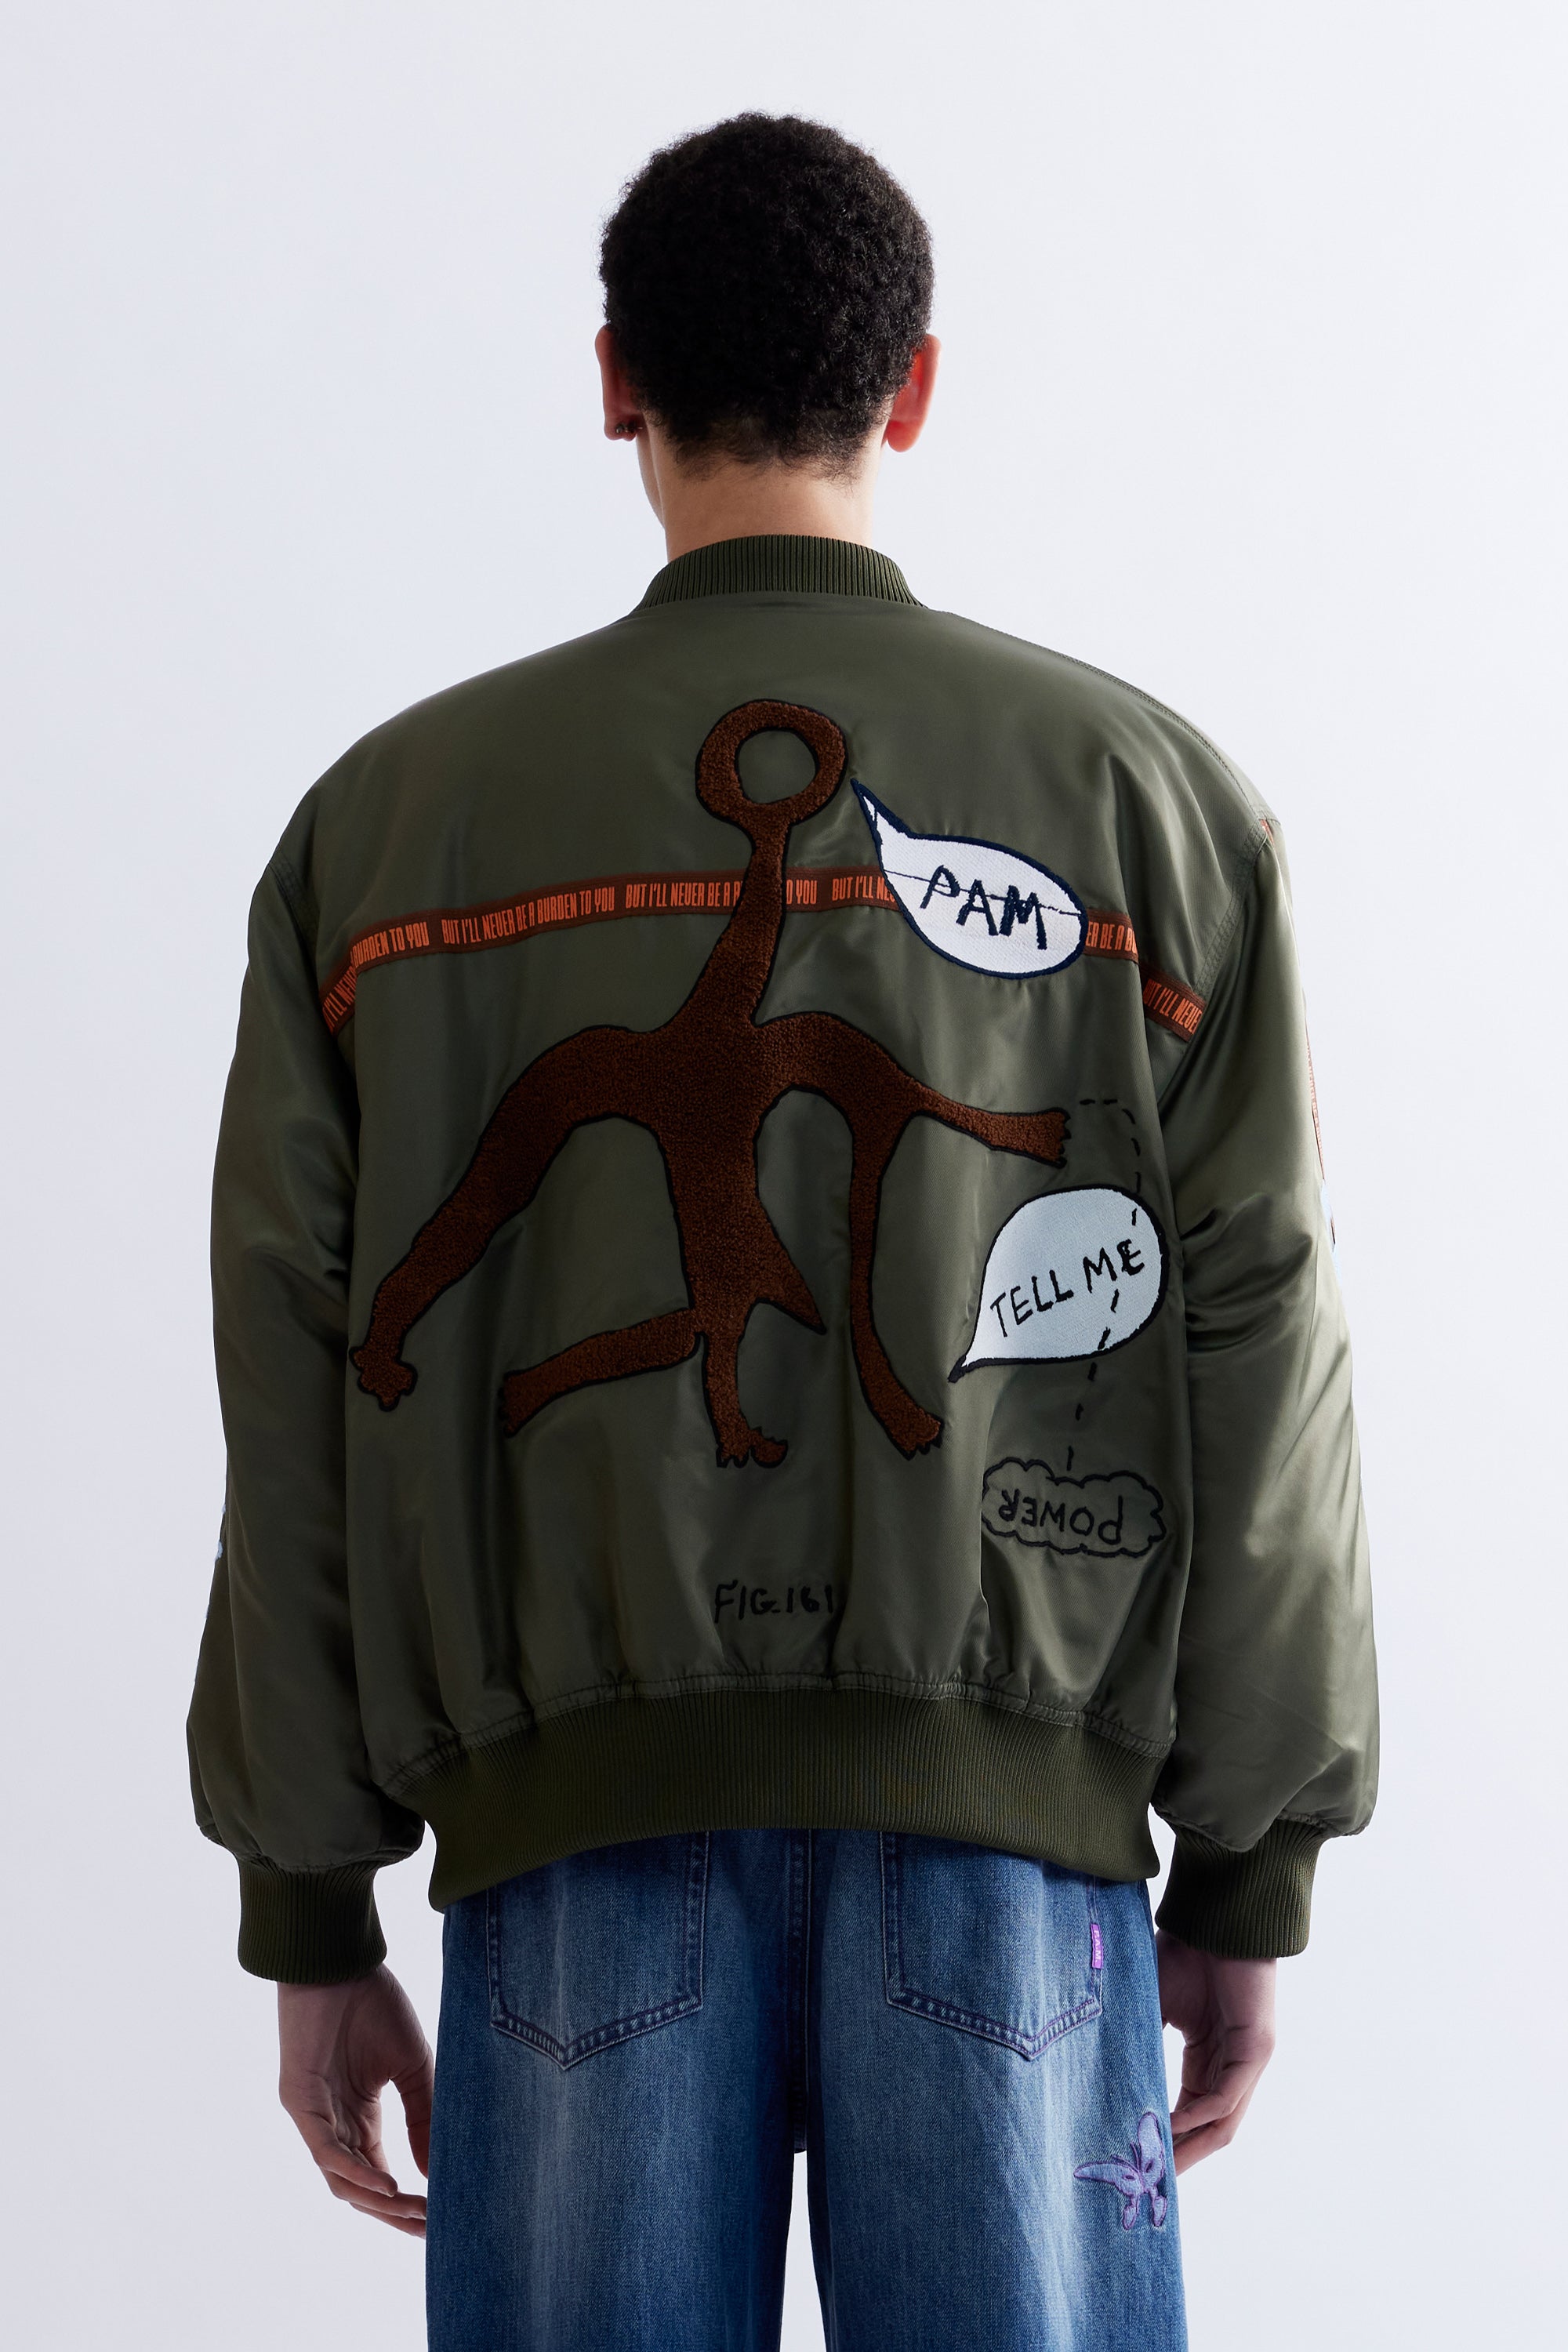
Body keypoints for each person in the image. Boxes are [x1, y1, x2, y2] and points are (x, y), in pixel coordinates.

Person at [189, 112, 1377, 2352]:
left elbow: (297, 1350)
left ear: (613, 380)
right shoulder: (1154, 804)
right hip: (1017, 1859)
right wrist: (1254, 1859)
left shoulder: (390, 828)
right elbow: (1263, 1329)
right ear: (911, 387)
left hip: (572, 1856)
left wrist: (309, 1899)